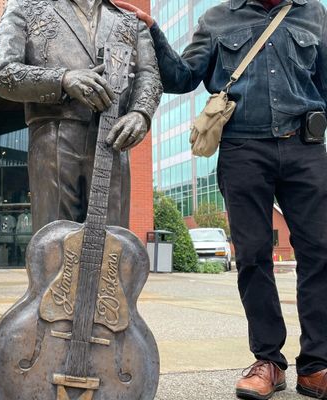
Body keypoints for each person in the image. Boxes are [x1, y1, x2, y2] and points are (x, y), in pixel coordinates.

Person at [114, 0, 327, 399]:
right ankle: (268, 361)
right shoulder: (216, 19)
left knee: (320, 253)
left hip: (305, 147)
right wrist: (153, 31)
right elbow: (182, 77)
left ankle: (317, 365)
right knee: (253, 256)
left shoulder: (313, 14)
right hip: (243, 149)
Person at [0, 0, 163, 233]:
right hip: (53, 138)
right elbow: (1, 71)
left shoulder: (130, 22)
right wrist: (63, 79)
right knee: (54, 241)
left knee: (113, 242)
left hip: (112, 141)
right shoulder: (25, 8)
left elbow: (150, 75)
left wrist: (140, 113)